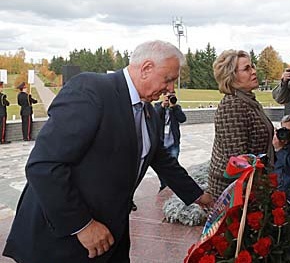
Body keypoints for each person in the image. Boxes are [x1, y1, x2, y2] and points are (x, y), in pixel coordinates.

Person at [4, 39, 211, 263]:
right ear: (146, 68)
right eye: (168, 79)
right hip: (63, 239)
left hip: (111, 235)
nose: (170, 88)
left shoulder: (147, 112)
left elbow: (162, 161)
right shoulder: (91, 90)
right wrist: (81, 225)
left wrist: (199, 196)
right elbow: (44, 165)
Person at [207, 50, 274, 197]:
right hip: (233, 191)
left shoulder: (247, 100)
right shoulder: (233, 106)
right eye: (247, 69)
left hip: (249, 184)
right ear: (231, 76)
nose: (254, 72)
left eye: (253, 66)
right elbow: (237, 159)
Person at [153, 92, 187, 189]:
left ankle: (171, 186)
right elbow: (155, 117)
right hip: (162, 143)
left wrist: (174, 107)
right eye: (168, 95)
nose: (170, 97)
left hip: (173, 143)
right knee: (161, 167)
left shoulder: (176, 107)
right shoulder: (158, 106)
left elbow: (182, 119)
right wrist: (163, 106)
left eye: (173, 95)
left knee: (173, 166)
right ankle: (164, 186)